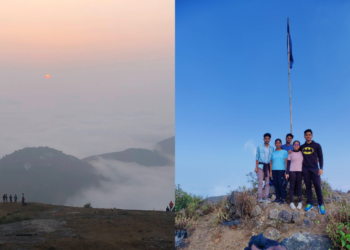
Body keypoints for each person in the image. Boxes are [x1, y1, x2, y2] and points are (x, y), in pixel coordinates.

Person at [289, 129, 325, 214]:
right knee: (308, 186)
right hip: (305, 169)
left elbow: (321, 157)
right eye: (306, 135)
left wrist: (321, 168)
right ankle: (310, 203)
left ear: (312, 135)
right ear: (304, 136)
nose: (308, 136)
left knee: (317, 185)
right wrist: (290, 151)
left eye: (309, 134)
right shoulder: (302, 147)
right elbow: (296, 150)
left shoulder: (317, 145)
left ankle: (321, 204)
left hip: (315, 168)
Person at [255, 133, 274, 203]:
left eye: (268, 138)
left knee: (267, 183)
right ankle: (260, 197)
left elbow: (272, 159)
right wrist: (256, 167)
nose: (266, 139)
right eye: (265, 138)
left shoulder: (272, 148)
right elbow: (257, 157)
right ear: (263, 139)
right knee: (260, 182)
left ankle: (266, 197)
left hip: (268, 167)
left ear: (270, 139)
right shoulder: (259, 147)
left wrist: (271, 171)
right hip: (260, 166)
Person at [285, 140, 303, 210]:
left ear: (299, 146)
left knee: (299, 187)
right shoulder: (290, 153)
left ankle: (300, 202)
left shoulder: (302, 153)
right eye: (295, 144)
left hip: (300, 171)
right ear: (293, 146)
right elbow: (288, 163)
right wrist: (287, 173)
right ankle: (291, 202)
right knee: (292, 187)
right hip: (292, 171)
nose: (296, 145)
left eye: (298, 144)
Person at [269, 139, 288, 204]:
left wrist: (286, 171)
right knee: (276, 184)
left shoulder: (284, 152)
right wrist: (270, 172)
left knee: (281, 184)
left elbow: (286, 162)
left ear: (281, 144)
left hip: (282, 170)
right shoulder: (273, 153)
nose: (278, 144)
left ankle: (283, 199)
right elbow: (271, 163)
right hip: (274, 170)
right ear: (275, 144)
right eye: (276, 143)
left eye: (279, 143)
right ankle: (277, 198)